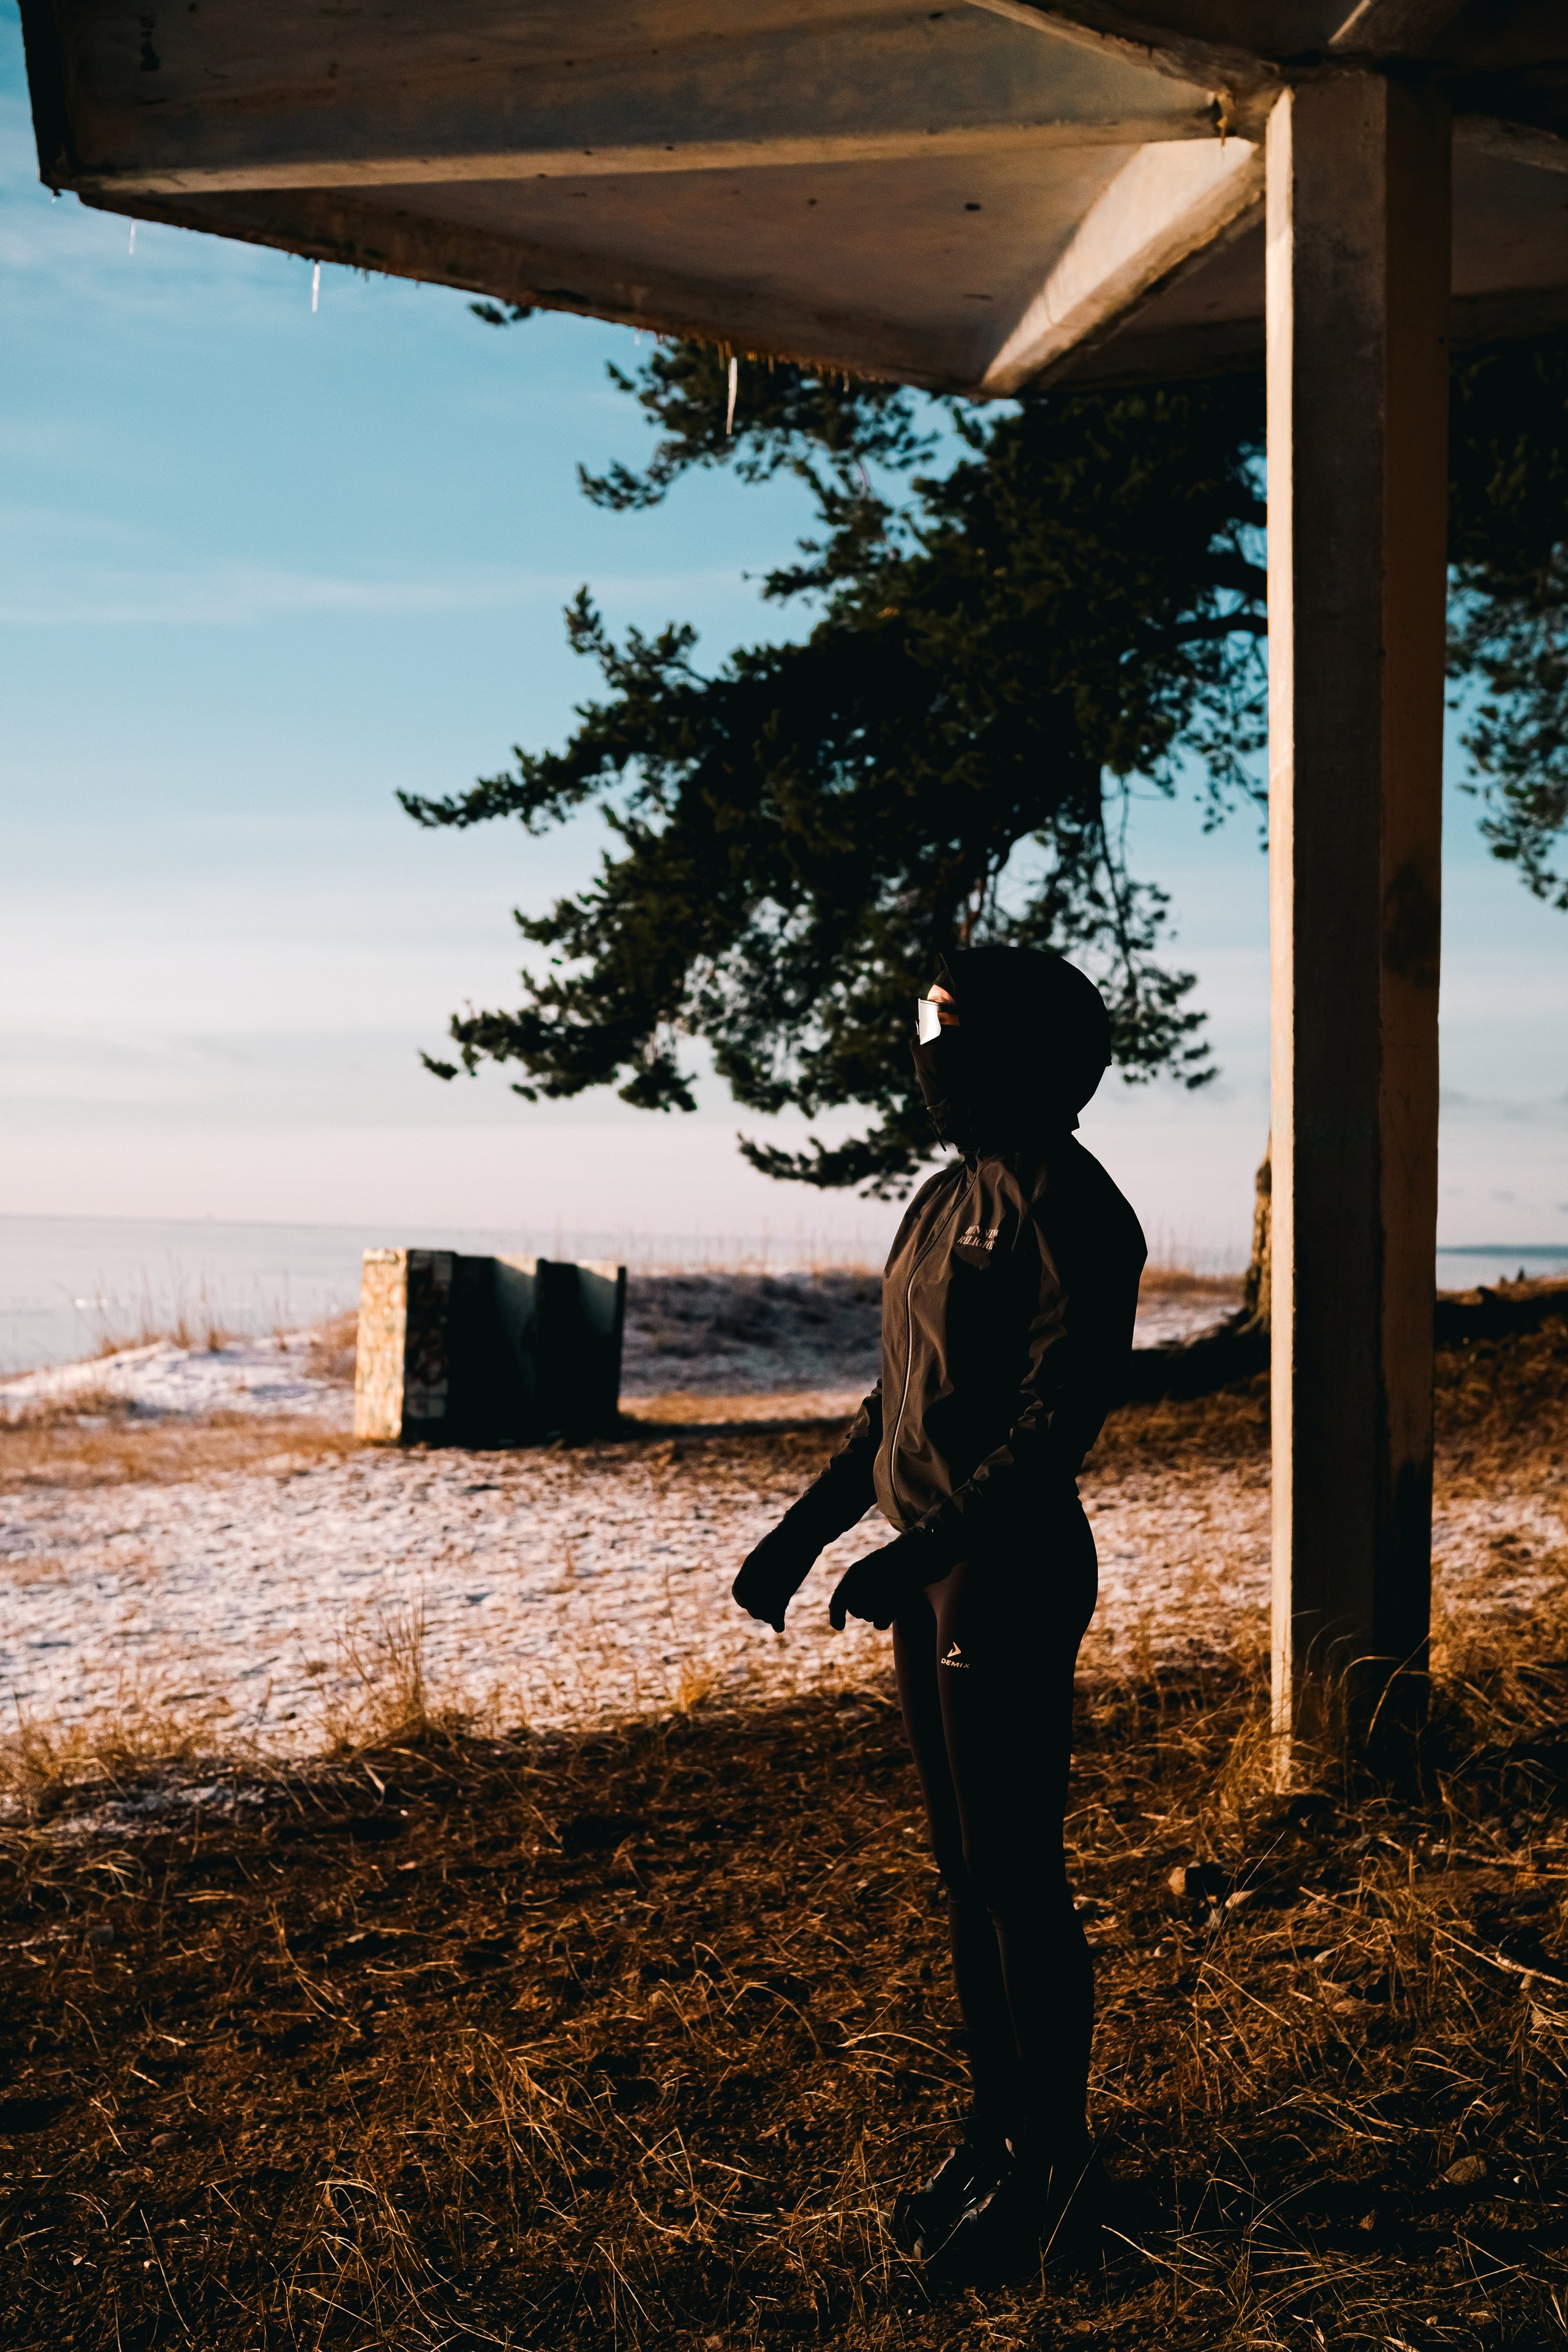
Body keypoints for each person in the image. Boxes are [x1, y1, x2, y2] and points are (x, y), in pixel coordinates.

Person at [731, 944, 1147, 2283]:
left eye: (951, 1039)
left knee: (1018, 1872)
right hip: (932, 1569)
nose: (926, 1064)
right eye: (924, 1036)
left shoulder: (1071, 1208)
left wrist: (930, 1549)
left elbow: (1052, 1421)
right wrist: (805, 1531)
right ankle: (996, 2131)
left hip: (1005, 1571)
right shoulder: (935, 1202)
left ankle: (1057, 2170)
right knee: (963, 1872)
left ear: (1024, 1053)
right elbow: (893, 1406)